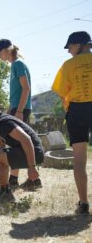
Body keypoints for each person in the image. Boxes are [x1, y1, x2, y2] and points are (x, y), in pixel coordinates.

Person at [52, 31, 92, 215]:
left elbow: (61, 92)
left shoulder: (68, 65)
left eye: (69, 47)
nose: (68, 51)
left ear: (79, 45)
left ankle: (83, 203)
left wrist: (68, 106)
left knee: (79, 159)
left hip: (77, 110)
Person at [0, 97, 44, 203]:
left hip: (35, 153)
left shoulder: (4, 122)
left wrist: (32, 167)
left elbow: (26, 140)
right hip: (28, 152)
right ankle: (14, 187)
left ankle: (5, 193)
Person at [0, 39, 33, 188]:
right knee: (15, 143)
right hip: (16, 108)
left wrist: (19, 111)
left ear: (7, 50)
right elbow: (17, 92)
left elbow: (26, 88)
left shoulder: (18, 64)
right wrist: (11, 110)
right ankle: (14, 179)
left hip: (21, 109)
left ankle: (32, 178)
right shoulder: (15, 65)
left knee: (19, 143)